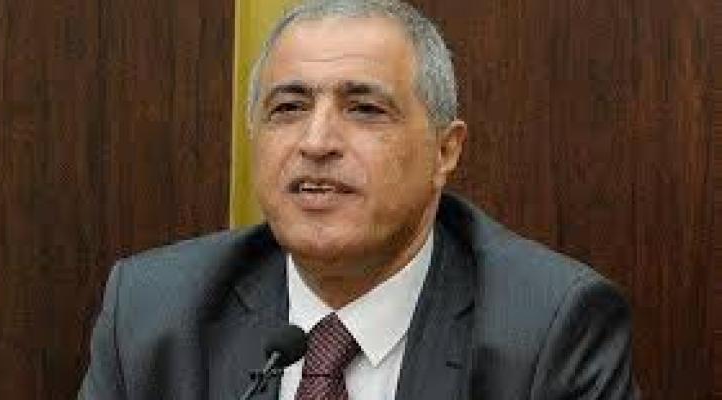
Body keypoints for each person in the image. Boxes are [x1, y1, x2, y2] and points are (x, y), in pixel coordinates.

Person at [78, 0, 638, 399]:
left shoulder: (546, 330)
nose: (316, 142)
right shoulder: (153, 315)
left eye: (365, 109)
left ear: (445, 151)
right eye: (288, 108)